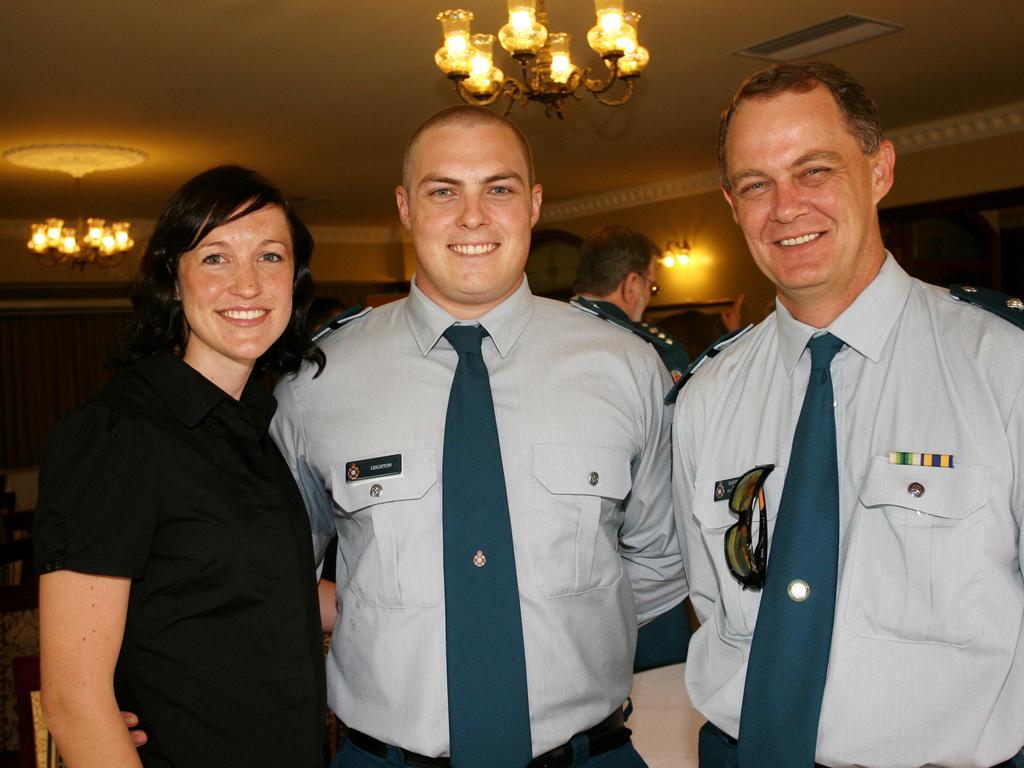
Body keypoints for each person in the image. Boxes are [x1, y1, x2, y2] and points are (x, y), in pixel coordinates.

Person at [272, 106, 686, 768]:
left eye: (499, 188)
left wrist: (567, 618)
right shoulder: (315, 383)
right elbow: (276, 566)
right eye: (444, 191)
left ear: (534, 203)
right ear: (405, 208)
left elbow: (661, 556)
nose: (473, 217)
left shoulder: (626, 366)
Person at [672, 62, 1024, 767]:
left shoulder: (1001, 367)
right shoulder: (707, 398)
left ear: (880, 170)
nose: (785, 207)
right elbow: (713, 602)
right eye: (755, 185)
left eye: (814, 171)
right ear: (732, 204)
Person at [34, 165, 328, 767]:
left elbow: (261, 590)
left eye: (270, 258)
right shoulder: (121, 433)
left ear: (294, 282)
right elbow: (73, 701)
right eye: (216, 258)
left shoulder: (255, 426)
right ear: (174, 279)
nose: (247, 285)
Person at [571, 225, 692, 671]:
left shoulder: (532, 340)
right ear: (632, 284)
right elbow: (680, 460)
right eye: (651, 285)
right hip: (643, 572)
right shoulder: (650, 351)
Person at [572, 225, 690, 381]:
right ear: (631, 286)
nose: (650, 296)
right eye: (652, 287)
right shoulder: (656, 351)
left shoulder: (541, 327)